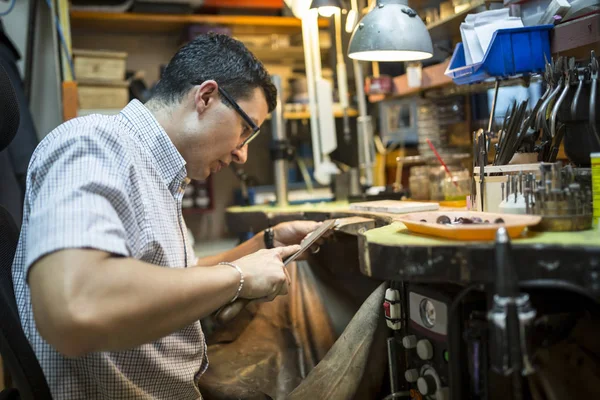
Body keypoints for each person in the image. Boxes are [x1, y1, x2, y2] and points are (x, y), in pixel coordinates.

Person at [12, 33, 321, 399]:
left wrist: (266, 243)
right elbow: (76, 305)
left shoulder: (159, 172)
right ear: (206, 97)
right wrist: (239, 276)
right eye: (246, 132)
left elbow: (175, 281)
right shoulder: (94, 143)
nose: (242, 155)